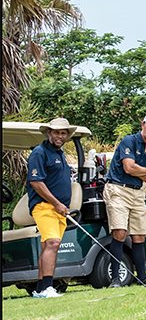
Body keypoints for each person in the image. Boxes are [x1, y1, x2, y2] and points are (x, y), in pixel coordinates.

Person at [104, 112, 146, 287]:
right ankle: (115, 279)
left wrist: (141, 171)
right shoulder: (129, 141)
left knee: (139, 235)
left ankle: (142, 277)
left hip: (137, 192)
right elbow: (128, 168)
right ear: (143, 124)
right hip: (118, 188)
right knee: (120, 232)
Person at [27, 118, 76, 298]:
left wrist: (61, 206)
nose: (60, 136)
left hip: (59, 209)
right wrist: (57, 203)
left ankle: (40, 289)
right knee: (53, 243)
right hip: (44, 206)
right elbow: (36, 182)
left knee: (47, 245)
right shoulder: (40, 153)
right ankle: (48, 287)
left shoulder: (59, 153)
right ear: (49, 133)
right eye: (56, 132)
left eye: (63, 133)